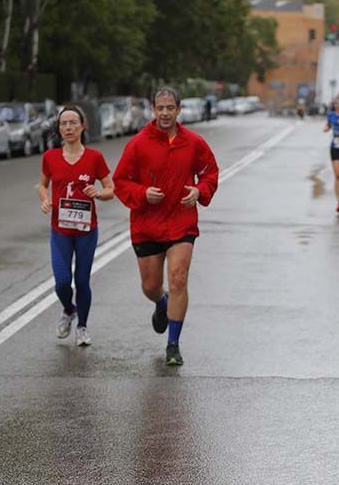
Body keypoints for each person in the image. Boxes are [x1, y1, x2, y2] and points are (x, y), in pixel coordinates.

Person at [112, 86, 219, 366]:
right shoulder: (138, 143)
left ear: (178, 110)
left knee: (179, 278)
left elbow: (210, 173)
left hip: (181, 223)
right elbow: (121, 181)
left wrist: (198, 191)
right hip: (147, 225)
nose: (165, 113)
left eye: (170, 108)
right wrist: (142, 194)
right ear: (153, 110)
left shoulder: (193, 142)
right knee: (150, 286)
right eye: (160, 108)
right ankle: (161, 303)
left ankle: (173, 344)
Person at [38, 105, 114, 347]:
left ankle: (82, 327)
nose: (68, 127)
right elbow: (42, 184)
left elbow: (111, 189)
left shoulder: (94, 158)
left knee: (81, 281)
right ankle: (69, 310)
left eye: (73, 123)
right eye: (64, 124)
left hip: (86, 232)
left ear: (83, 126)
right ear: (59, 129)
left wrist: (98, 193)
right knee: (61, 282)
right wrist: (45, 199)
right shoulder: (50, 157)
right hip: (60, 230)